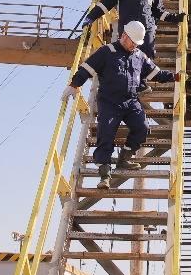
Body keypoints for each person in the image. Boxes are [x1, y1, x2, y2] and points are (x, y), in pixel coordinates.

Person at [64, 21, 179, 188]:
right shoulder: (106, 52)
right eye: (133, 42)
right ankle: (104, 175)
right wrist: (74, 85)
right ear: (124, 36)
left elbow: (156, 74)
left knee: (142, 128)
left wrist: (175, 77)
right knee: (106, 133)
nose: (135, 46)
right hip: (109, 101)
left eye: (137, 43)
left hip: (130, 101)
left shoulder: (139, 56)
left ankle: (124, 158)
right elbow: (86, 69)